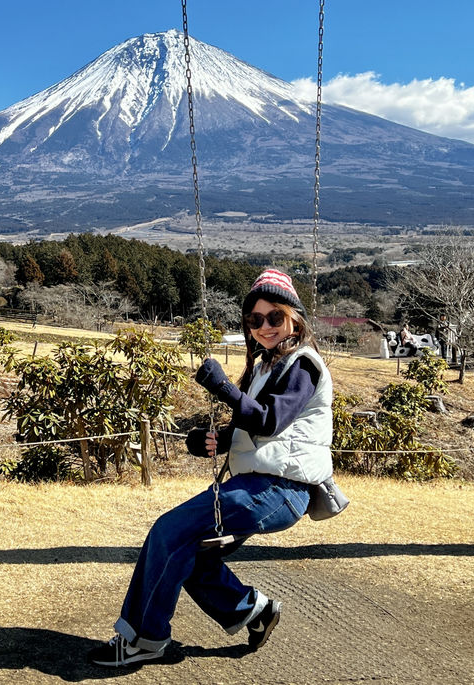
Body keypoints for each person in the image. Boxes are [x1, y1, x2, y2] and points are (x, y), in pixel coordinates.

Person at [88, 268, 334, 668]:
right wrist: (212, 440)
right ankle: (252, 610)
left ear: (295, 319)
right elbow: (251, 426)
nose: (265, 327)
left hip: (280, 489)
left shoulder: (304, 365)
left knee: (169, 531)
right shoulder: (263, 368)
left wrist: (222, 387)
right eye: (255, 320)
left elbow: (271, 420)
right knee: (191, 553)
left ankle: (144, 639)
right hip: (257, 485)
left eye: (275, 317)